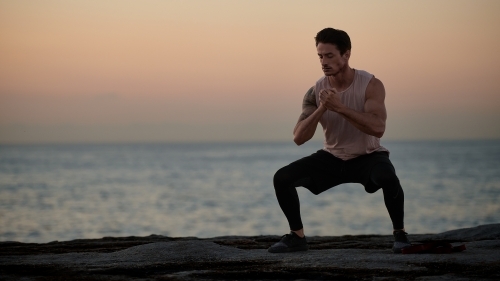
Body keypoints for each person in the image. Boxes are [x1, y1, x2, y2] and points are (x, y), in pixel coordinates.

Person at [268, 27, 411, 254]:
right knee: (282, 177)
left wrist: (340, 108)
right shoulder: (316, 91)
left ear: (346, 55)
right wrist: (323, 108)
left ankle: (401, 235)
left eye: (329, 55)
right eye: (320, 56)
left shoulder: (371, 85)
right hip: (332, 157)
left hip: (368, 156)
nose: (323, 62)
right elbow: (299, 137)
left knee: (388, 177)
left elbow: (378, 128)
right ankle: (297, 236)